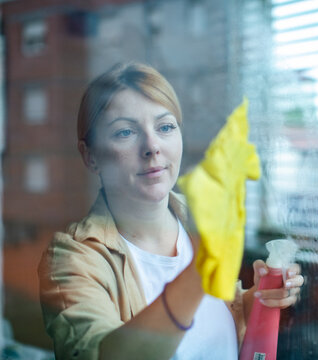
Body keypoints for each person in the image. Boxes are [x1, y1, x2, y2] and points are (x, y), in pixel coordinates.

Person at [38, 62, 304, 360]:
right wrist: (201, 270)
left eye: (165, 127)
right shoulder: (72, 258)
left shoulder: (199, 219)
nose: (152, 146)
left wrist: (258, 300)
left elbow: (212, 330)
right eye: (125, 132)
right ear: (91, 156)